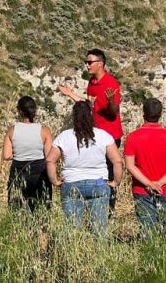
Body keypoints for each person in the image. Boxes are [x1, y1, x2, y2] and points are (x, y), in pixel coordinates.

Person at [58, 48, 122, 212]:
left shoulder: (110, 84)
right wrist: (70, 94)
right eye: (86, 62)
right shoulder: (92, 83)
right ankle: (91, 203)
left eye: (89, 62)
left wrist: (111, 102)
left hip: (109, 136)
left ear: (100, 64)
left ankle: (108, 209)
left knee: (107, 174)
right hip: (94, 134)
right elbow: (89, 105)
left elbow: (114, 112)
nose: (87, 66)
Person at [46, 101, 122, 236]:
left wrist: (55, 181)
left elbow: (50, 160)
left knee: (72, 229)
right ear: (91, 115)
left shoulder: (64, 136)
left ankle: (75, 254)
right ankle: (98, 254)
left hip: (71, 183)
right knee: (99, 230)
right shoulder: (103, 135)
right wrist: (115, 182)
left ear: (74, 116)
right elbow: (116, 161)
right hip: (98, 182)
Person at [124, 98, 166, 234]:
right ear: (161, 114)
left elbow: (130, 165)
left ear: (143, 114)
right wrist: (159, 183)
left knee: (147, 230)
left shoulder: (132, 137)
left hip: (142, 189)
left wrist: (149, 184)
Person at [3, 96, 53, 211]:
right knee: (41, 208)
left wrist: (19, 154)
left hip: (18, 171)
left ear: (19, 111)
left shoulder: (12, 130)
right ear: (35, 110)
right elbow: (49, 155)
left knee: (17, 208)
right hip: (39, 172)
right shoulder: (44, 130)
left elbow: (6, 155)